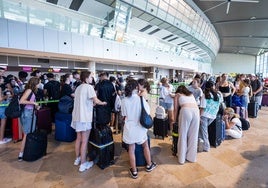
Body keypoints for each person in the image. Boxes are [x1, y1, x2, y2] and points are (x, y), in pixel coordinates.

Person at [71, 71, 107, 172]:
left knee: (78, 138)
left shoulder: (78, 87)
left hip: (77, 116)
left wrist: (92, 104)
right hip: (84, 118)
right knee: (84, 141)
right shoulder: (89, 87)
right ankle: (83, 164)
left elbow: (84, 101)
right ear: (86, 78)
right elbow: (96, 100)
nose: (92, 79)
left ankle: (77, 159)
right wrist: (103, 103)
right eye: (91, 77)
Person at [121, 79, 156, 179]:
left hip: (130, 128)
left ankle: (134, 171)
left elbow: (124, 115)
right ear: (136, 87)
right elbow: (148, 112)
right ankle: (149, 165)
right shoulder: (140, 99)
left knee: (131, 149)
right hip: (140, 128)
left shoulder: (124, 100)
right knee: (145, 146)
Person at [174, 85, 200, 164]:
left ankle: (181, 159)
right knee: (194, 135)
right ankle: (191, 158)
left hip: (186, 110)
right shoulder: (191, 94)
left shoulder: (177, 95)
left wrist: (174, 120)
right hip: (196, 111)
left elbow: (175, 109)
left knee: (183, 134)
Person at [18, 77, 41, 161]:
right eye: (38, 83)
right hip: (28, 114)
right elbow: (21, 101)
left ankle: (26, 151)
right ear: (35, 83)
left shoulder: (30, 91)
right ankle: (21, 153)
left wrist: (35, 106)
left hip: (29, 112)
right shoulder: (29, 91)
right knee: (27, 134)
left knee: (29, 133)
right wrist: (33, 102)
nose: (39, 85)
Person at [199, 81, 222, 152]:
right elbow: (219, 105)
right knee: (202, 130)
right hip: (213, 115)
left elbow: (202, 107)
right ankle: (200, 142)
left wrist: (199, 116)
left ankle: (206, 147)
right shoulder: (218, 95)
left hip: (204, 115)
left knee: (204, 131)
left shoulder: (205, 95)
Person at [0, 77, 12, 144]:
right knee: (3, 124)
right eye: (2, 79)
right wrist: (6, 96)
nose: (3, 80)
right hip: (1, 107)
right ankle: (1, 139)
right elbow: (0, 99)